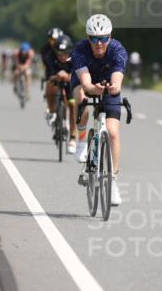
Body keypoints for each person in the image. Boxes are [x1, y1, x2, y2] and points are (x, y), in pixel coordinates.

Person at [71, 14, 127, 205]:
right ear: (88, 38)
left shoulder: (118, 50)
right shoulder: (80, 50)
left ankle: (113, 182)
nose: (99, 43)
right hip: (86, 82)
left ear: (110, 37)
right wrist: (93, 89)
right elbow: (86, 83)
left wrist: (114, 87)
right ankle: (81, 140)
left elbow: (117, 79)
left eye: (103, 38)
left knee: (112, 132)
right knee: (81, 97)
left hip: (108, 84)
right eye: (94, 39)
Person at [45, 35, 78, 153]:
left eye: (65, 54)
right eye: (59, 53)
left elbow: (78, 76)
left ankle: (72, 138)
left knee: (73, 105)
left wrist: (67, 76)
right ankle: (51, 111)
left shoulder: (76, 57)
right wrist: (57, 76)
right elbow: (49, 77)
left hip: (71, 82)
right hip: (56, 79)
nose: (62, 56)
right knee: (50, 86)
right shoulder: (50, 56)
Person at [42, 27, 64, 121]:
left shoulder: (66, 47)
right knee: (50, 87)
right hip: (51, 71)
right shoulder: (45, 49)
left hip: (64, 72)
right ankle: (50, 109)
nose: (54, 42)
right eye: (52, 40)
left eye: (56, 40)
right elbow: (46, 64)